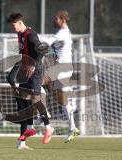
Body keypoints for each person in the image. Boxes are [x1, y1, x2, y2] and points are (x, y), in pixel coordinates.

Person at [0, 13, 53, 150]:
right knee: (24, 99)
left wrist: (32, 64)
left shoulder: (30, 35)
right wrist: (14, 72)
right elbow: (24, 55)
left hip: (35, 71)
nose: (13, 28)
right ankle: (29, 130)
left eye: (14, 26)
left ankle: (48, 128)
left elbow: (43, 50)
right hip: (25, 69)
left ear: (20, 23)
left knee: (35, 98)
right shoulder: (20, 35)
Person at [39, 10, 79, 143]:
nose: (53, 20)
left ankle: (43, 114)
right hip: (60, 68)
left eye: (56, 19)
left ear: (63, 20)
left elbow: (47, 41)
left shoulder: (62, 33)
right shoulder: (61, 32)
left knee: (35, 84)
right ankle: (73, 128)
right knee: (62, 101)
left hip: (62, 69)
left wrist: (30, 34)